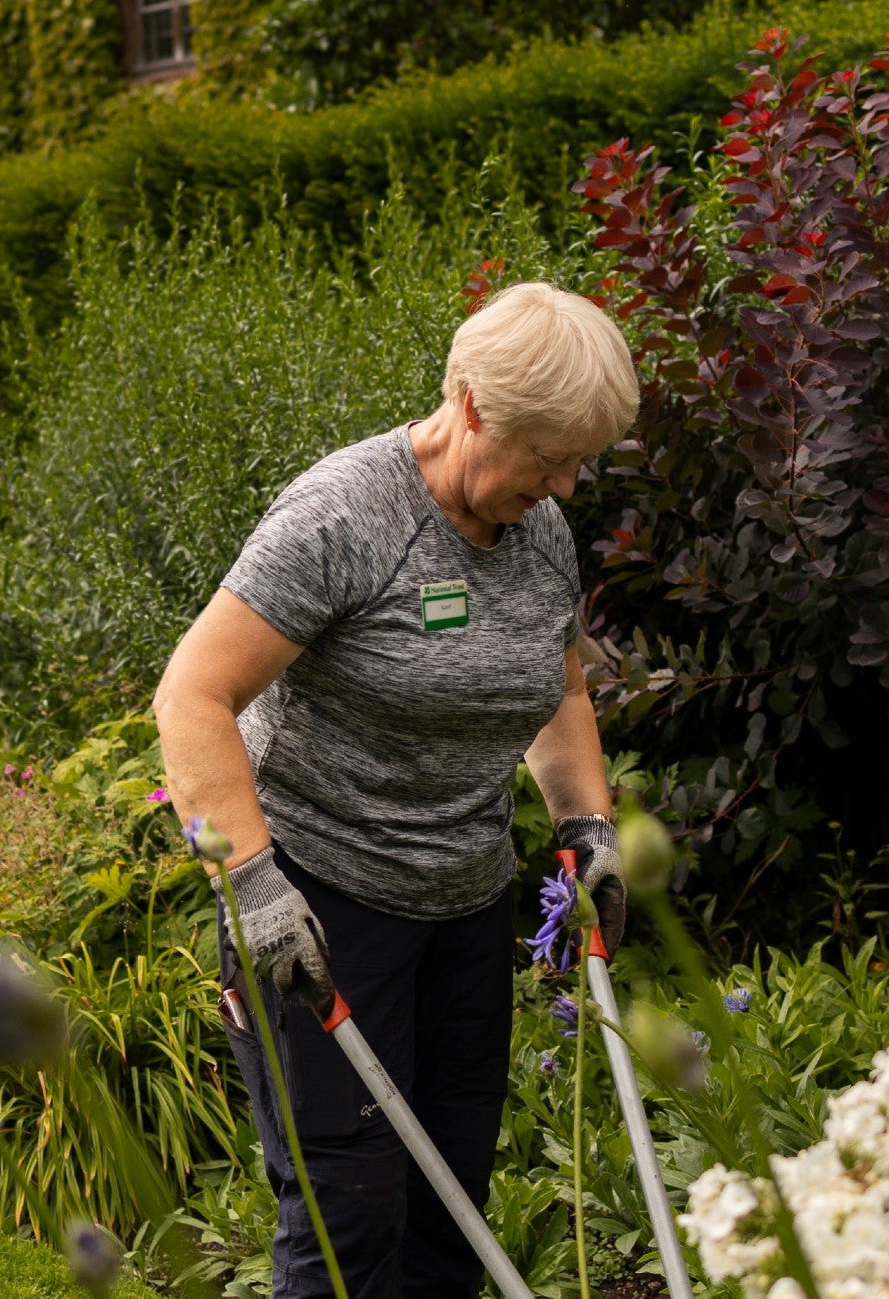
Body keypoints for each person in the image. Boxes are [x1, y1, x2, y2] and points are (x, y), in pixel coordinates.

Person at [154, 281, 641, 1297]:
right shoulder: (342, 517)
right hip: (320, 906)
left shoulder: (537, 528)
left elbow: (555, 684)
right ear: (469, 403)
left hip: (461, 904)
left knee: (449, 1207)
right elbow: (193, 695)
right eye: (548, 455)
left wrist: (586, 822)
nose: (563, 484)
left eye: (579, 460)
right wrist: (252, 888)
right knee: (349, 1215)